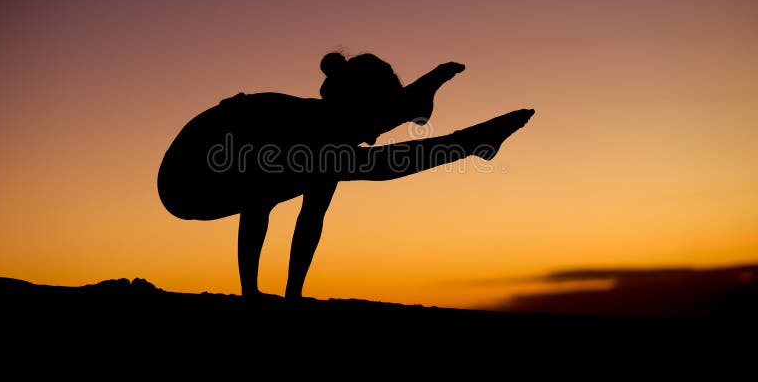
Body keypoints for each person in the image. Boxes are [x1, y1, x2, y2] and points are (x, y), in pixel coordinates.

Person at [157, 52, 534, 299]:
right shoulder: (299, 129)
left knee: (344, 160)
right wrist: (251, 294)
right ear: (355, 103)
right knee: (354, 162)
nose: (371, 137)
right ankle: (461, 135)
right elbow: (257, 205)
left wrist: (293, 295)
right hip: (189, 181)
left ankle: (447, 124)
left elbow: (311, 220)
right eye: (374, 123)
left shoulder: (324, 126)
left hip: (217, 167)